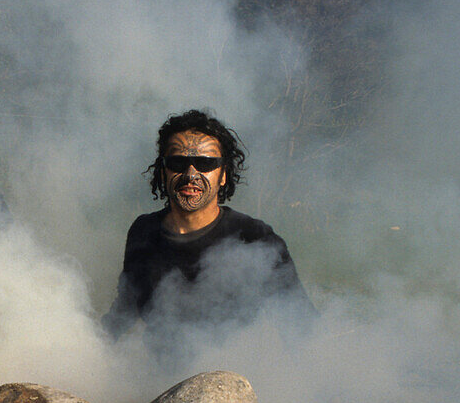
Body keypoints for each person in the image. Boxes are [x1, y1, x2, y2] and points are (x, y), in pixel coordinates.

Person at [105, 109, 315, 336]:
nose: (191, 174)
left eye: (205, 164)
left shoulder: (255, 238)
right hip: (161, 369)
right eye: (178, 162)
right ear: (163, 171)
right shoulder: (144, 231)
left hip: (236, 367)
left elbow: (302, 325)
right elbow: (124, 311)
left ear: (223, 175)